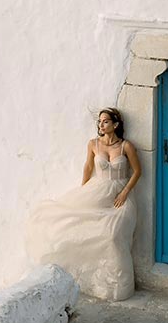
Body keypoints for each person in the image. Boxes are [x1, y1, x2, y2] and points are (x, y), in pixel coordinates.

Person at [25, 108, 143, 301]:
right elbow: (88, 167)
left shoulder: (126, 146)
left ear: (115, 124)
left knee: (113, 235)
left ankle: (113, 286)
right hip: (98, 189)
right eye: (100, 121)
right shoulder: (93, 144)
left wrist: (125, 192)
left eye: (105, 121)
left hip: (120, 195)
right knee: (71, 223)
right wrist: (83, 190)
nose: (101, 125)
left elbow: (137, 171)